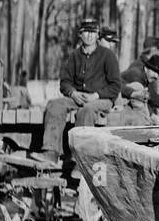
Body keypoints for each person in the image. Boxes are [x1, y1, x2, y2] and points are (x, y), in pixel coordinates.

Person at [35, 18, 122, 162]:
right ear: (80, 34)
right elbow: (65, 82)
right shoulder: (74, 56)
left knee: (86, 111)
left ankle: (81, 160)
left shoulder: (107, 55)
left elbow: (115, 85)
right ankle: (50, 152)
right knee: (55, 105)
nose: (89, 35)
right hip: (78, 98)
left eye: (93, 32)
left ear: (98, 35)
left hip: (101, 99)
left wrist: (96, 95)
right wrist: (73, 93)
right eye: (86, 32)